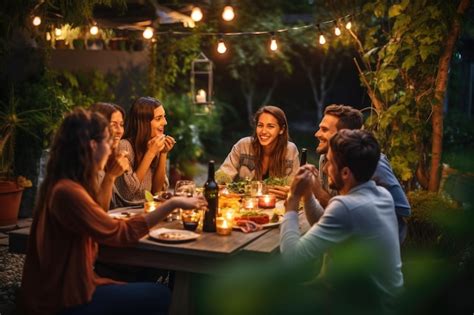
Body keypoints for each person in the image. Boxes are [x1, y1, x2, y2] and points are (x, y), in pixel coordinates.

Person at [20, 108, 207, 315]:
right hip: (60, 301)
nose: (111, 148)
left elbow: (99, 219)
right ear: (93, 146)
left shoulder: (66, 184)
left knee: (147, 283)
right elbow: (121, 232)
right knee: (160, 295)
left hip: (70, 289)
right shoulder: (68, 193)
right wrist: (172, 204)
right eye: (107, 142)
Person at [280, 129, 403, 303]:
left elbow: (291, 259)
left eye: (329, 162)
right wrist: (308, 195)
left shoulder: (346, 206)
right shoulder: (383, 195)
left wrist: (293, 199)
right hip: (387, 301)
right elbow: (327, 224)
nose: (325, 167)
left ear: (345, 173)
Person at [313, 104, 411, 242]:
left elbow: (403, 209)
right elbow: (332, 204)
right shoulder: (325, 159)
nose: (317, 134)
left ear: (344, 135)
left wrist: (317, 191)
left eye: (324, 130)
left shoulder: (373, 163)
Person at [218, 105, 300, 199]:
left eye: (270, 126)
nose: (263, 131)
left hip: (277, 207)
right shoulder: (243, 145)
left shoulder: (290, 150)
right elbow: (223, 175)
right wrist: (219, 184)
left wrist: (290, 193)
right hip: (243, 204)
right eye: (260, 125)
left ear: (281, 129)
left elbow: (297, 188)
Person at [115, 97, 176, 206]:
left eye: (164, 117)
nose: (165, 122)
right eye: (158, 118)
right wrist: (150, 154)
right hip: (125, 214)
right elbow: (128, 193)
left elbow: (157, 192)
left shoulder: (154, 145)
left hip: (148, 210)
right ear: (143, 123)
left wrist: (163, 153)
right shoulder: (124, 146)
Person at [89, 102, 129, 210]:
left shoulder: (113, 157)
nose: (120, 131)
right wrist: (111, 175)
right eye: (113, 125)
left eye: (121, 125)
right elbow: (98, 212)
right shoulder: (87, 163)